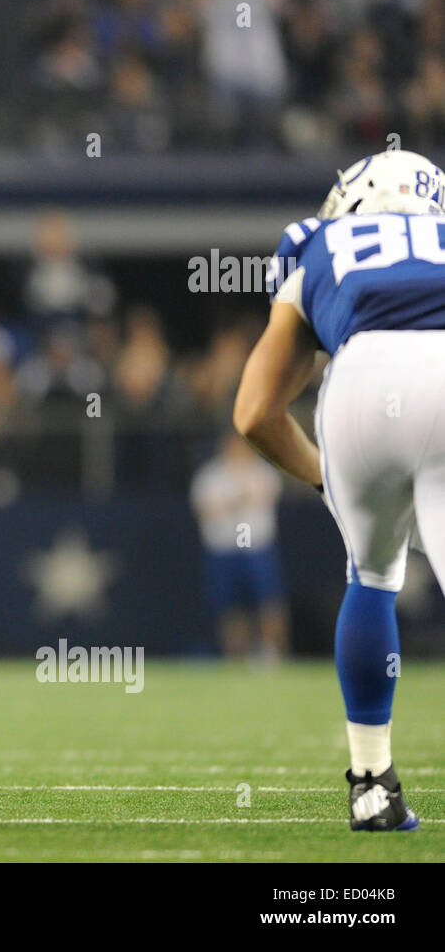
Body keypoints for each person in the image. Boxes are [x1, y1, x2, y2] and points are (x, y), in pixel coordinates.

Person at [233, 147, 445, 832]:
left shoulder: (315, 241)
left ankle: (371, 782)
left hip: (355, 382)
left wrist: (327, 476)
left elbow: (254, 413)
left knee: (372, 576)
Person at [190, 432, 289, 660]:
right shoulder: (210, 476)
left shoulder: (263, 472)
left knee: (269, 602)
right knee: (229, 608)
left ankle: (273, 653)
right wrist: (236, 500)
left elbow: (266, 498)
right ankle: (235, 655)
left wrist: (231, 503)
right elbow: (206, 510)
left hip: (257, 550)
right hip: (223, 551)